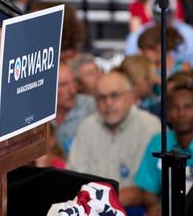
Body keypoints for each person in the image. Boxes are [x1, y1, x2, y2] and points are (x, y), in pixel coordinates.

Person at [67, 70, 160, 206]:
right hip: (89, 209)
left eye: (114, 95)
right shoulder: (87, 126)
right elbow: (73, 175)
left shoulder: (151, 126)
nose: (108, 103)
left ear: (130, 96)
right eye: (101, 97)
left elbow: (144, 190)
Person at [129, 84, 193, 213]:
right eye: (174, 107)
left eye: (188, 107)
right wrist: (154, 208)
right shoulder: (159, 142)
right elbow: (149, 190)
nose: (181, 113)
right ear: (167, 113)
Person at [53, 63, 96, 155]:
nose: (72, 90)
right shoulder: (39, 117)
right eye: (63, 85)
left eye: (73, 82)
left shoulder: (90, 107)